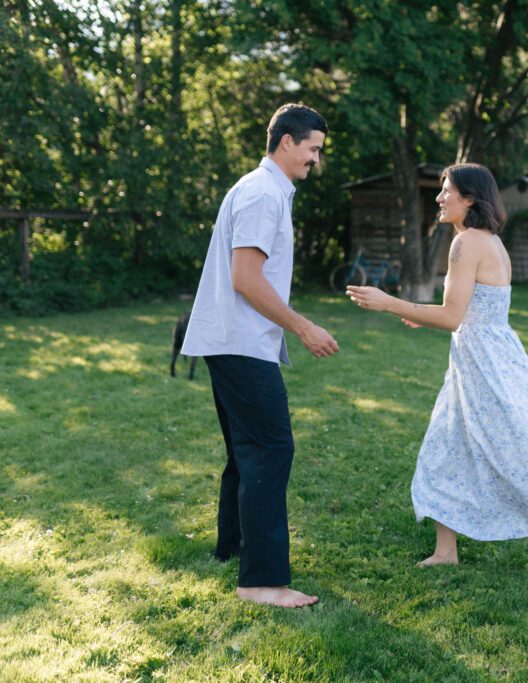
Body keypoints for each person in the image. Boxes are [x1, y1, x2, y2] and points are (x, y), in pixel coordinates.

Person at [347, 163, 528, 580]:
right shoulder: (486, 240)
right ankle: (445, 551)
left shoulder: (466, 243)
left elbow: (455, 316)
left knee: (516, 457)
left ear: (469, 198)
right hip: (485, 356)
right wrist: (424, 316)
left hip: (486, 367)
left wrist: (390, 302)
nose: (439, 197)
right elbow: (470, 311)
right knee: (447, 447)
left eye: (446, 190)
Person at [182, 103, 340, 608]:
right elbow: (245, 278)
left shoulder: (265, 190)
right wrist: (303, 326)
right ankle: (262, 582)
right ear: (287, 142)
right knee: (271, 450)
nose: (316, 159)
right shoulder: (261, 193)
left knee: (246, 451)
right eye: (313, 148)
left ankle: (233, 548)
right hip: (239, 343)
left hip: (234, 341)